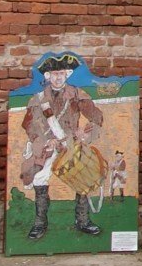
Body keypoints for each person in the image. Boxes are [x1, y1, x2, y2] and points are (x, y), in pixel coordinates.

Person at [19, 52, 105, 241]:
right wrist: (44, 141)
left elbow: (96, 116)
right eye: (54, 74)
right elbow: (30, 126)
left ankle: (82, 221)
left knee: (83, 177)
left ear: (67, 74)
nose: (58, 77)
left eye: (62, 73)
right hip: (48, 147)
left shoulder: (76, 94)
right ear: (47, 76)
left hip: (71, 143)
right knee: (40, 179)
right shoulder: (38, 99)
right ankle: (40, 223)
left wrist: (86, 134)